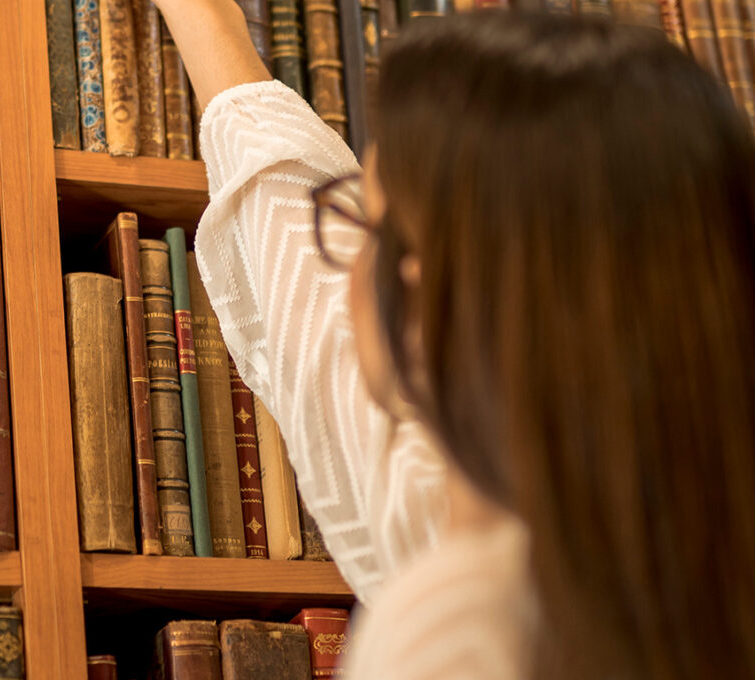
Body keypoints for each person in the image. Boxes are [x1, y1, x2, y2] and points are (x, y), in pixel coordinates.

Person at [150, 2, 755, 678]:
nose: (345, 256)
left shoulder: (465, 632)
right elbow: (321, 326)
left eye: (366, 228)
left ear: (421, 292)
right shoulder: (666, 548)